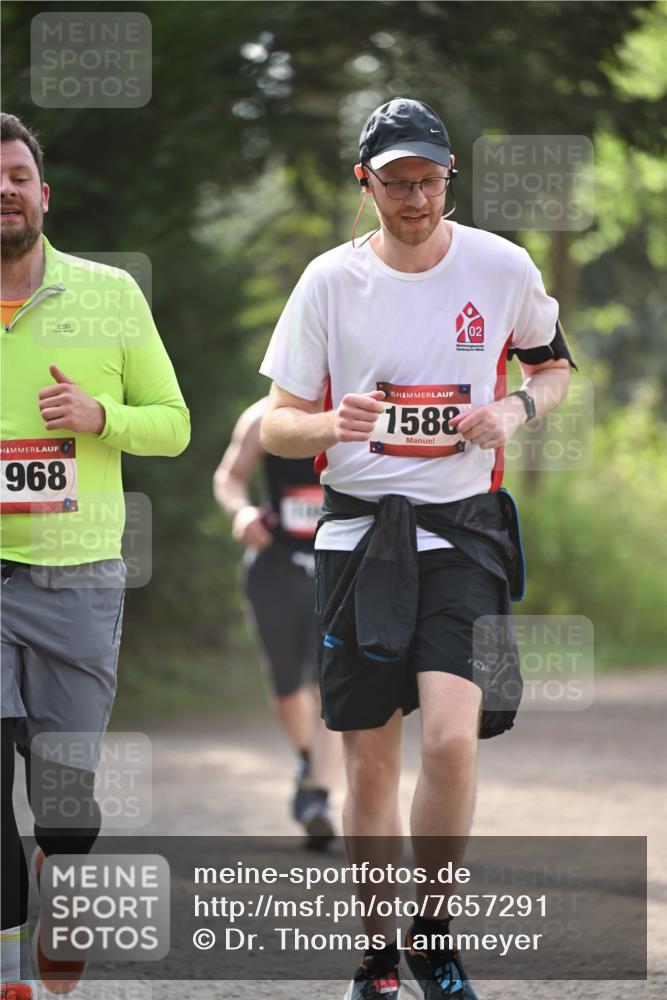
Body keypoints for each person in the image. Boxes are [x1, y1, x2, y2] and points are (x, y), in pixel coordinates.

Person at [259, 98, 576, 999]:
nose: (414, 199)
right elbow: (278, 425)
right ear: (365, 183)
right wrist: (329, 419)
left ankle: (432, 930)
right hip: (359, 536)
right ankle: (374, 957)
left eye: (429, 182)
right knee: (369, 758)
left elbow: (550, 366)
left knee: (448, 741)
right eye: (396, 184)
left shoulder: (500, 266)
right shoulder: (327, 281)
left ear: (448, 179)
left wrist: (513, 407)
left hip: (459, 534)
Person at [0, 113, 190, 999]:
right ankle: (10, 974)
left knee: (65, 801)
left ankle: (59, 879)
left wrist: (100, 419)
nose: (3, 190)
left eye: (15, 176)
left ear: (44, 194)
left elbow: (175, 424)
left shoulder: (110, 294)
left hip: (75, 581)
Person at [213, 397, 340, 845]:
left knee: (328, 685)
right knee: (288, 692)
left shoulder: (354, 408)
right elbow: (229, 477)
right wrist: (241, 511)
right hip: (274, 568)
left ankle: (319, 798)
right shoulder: (261, 416)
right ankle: (309, 761)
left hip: (336, 568)